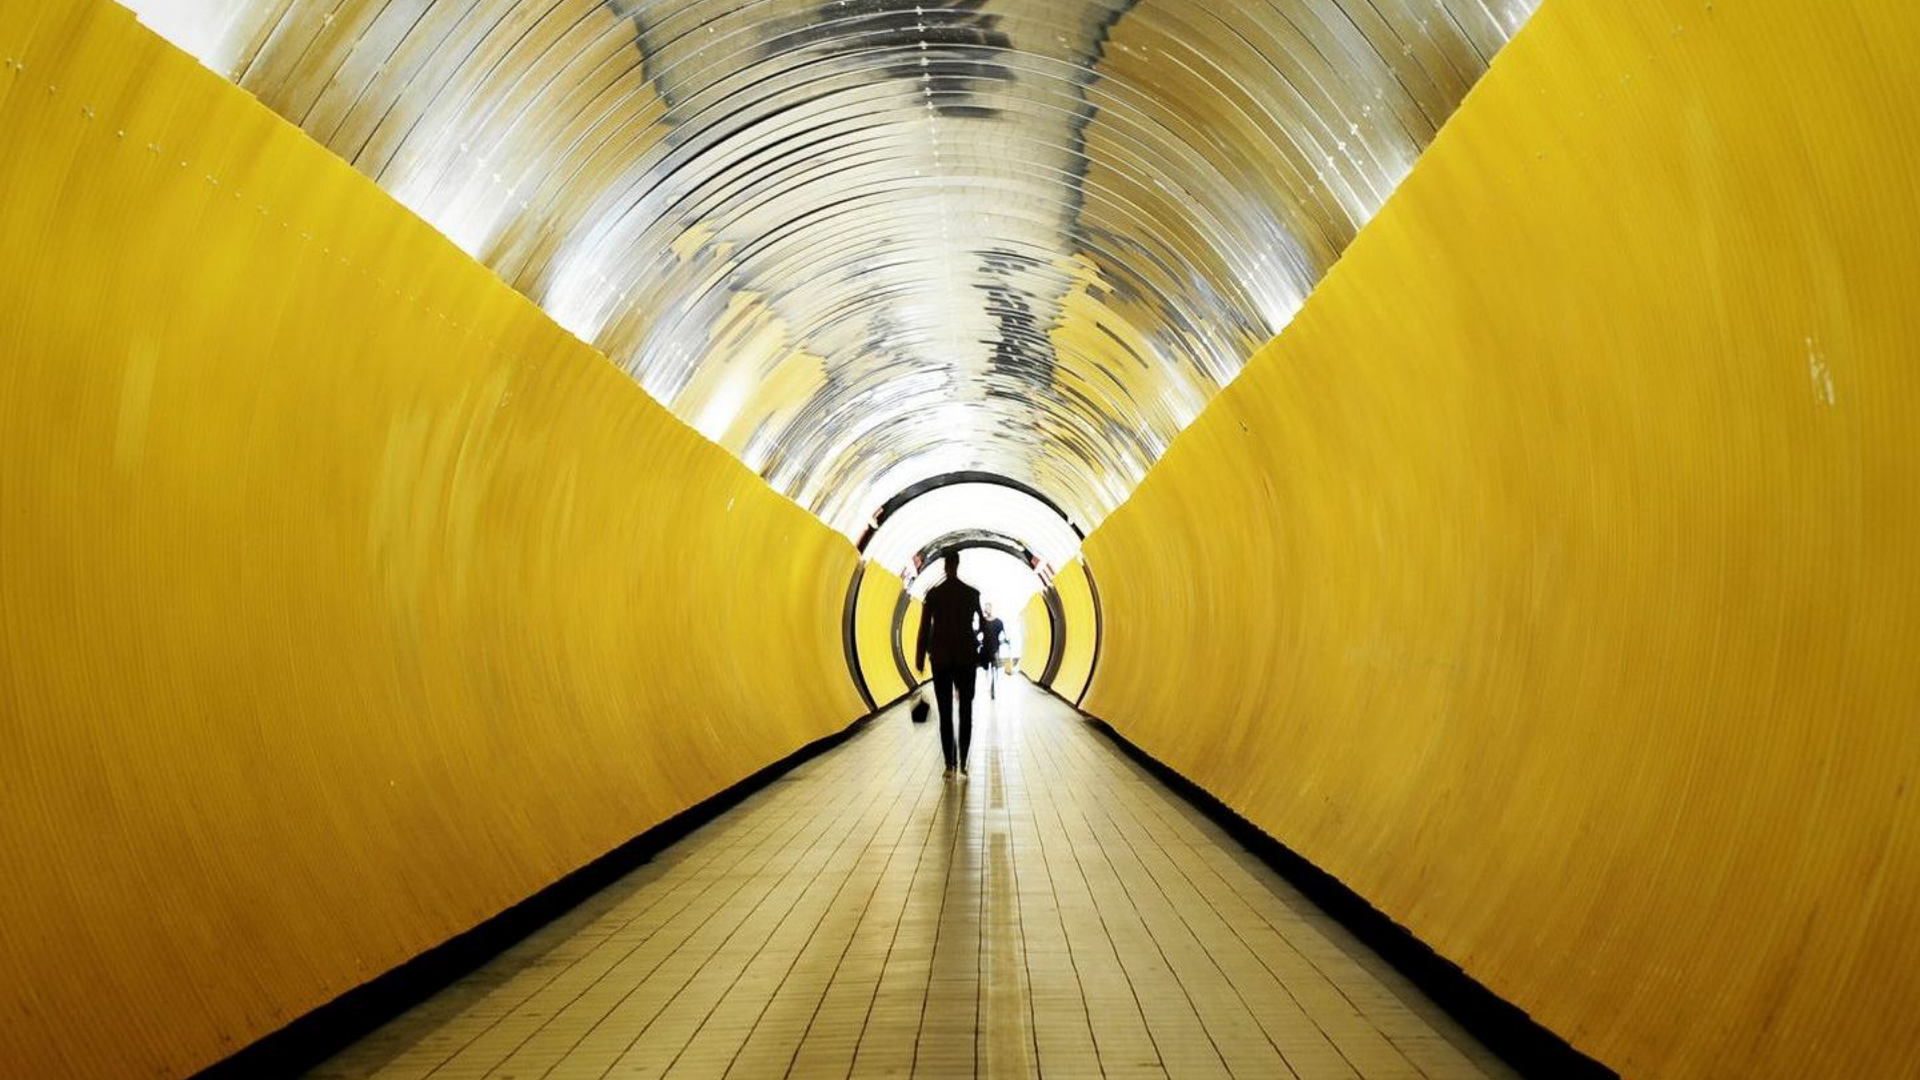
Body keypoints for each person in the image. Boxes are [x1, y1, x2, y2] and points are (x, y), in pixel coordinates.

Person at [916, 550, 985, 778]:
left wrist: (919, 658)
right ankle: (963, 762)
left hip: (941, 659)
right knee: (966, 711)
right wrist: (985, 653)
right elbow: (983, 627)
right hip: (966, 659)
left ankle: (949, 764)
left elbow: (924, 627)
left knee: (945, 713)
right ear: (957, 564)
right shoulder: (972, 594)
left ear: (946, 566)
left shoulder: (934, 595)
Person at [979, 602, 1005, 699]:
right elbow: (978, 633)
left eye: (988, 608)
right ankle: (989, 684)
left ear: (991, 608)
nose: (987, 610)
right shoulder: (983, 622)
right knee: (986, 669)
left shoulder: (999, 622)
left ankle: (992, 687)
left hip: (995, 649)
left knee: (994, 669)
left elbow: (1003, 634)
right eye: (985, 608)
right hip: (986, 649)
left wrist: (1003, 641)